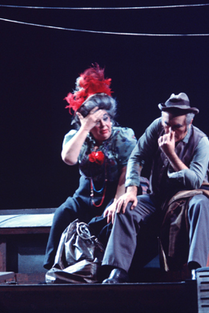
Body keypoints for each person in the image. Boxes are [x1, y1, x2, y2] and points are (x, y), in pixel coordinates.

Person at [102, 92, 209, 283]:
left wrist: (171, 154)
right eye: (166, 125)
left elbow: (195, 181)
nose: (169, 131)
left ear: (190, 122)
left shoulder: (202, 142)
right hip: (157, 198)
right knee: (125, 207)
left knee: (201, 203)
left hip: (186, 199)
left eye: (176, 127)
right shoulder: (157, 127)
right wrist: (131, 190)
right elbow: (136, 156)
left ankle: (197, 269)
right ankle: (118, 270)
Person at [43, 64, 137, 270]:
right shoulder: (76, 137)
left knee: (114, 218)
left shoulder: (123, 136)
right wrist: (86, 125)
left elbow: (125, 173)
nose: (103, 125)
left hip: (113, 193)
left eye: (106, 118)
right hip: (85, 194)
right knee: (63, 212)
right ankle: (53, 267)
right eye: (97, 121)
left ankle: (106, 268)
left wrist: (117, 200)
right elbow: (68, 159)